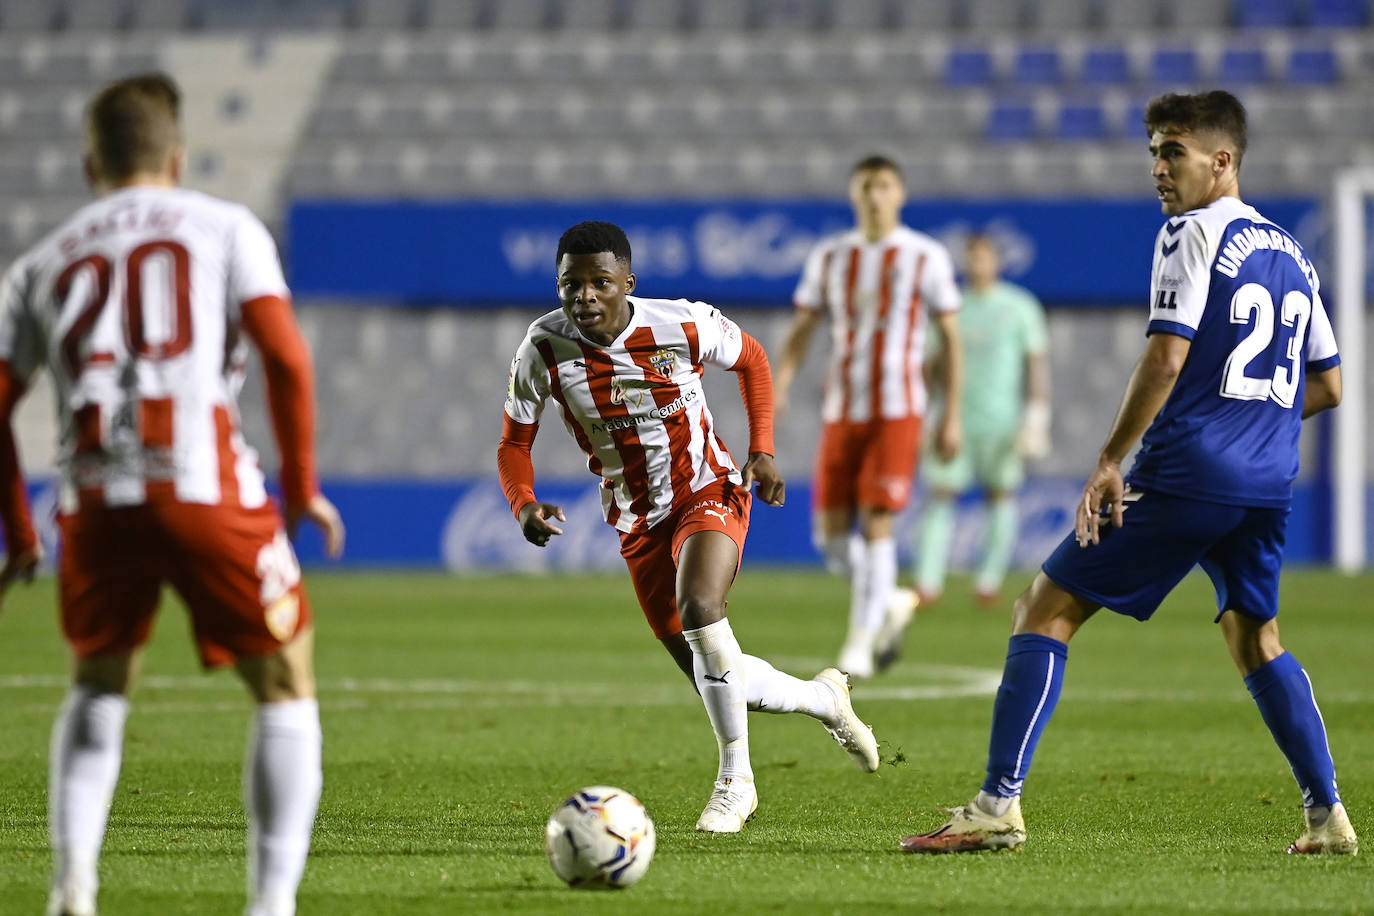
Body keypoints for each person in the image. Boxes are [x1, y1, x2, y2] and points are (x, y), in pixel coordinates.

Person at [901, 90, 1356, 856]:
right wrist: (1255, 428)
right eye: (1152, 151)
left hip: (1186, 473)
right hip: (1267, 483)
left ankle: (996, 806)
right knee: (1258, 637)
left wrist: (1111, 459)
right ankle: (1327, 817)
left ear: (1223, 160)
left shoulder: (1188, 234)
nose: (1157, 168)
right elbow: (1329, 385)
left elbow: (1166, 354)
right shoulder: (1294, 253)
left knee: (1043, 609)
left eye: (1172, 151)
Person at [0, 74, 346, 916]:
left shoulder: (41, 262)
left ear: (92, 166)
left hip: (92, 497)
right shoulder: (225, 227)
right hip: (202, 483)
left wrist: (19, 532)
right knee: (284, 682)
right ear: (177, 156)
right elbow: (286, 358)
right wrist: (300, 486)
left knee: (98, 681)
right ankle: (270, 904)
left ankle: (72, 888)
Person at [498, 220, 880, 834]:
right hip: (635, 519)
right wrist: (523, 501)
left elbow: (752, 359)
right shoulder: (541, 348)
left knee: (701, 606)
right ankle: (824, 700)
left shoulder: (681, 323)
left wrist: (763, 448)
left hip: (708, 487)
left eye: (601, 282)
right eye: (573, 284)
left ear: (628, 283)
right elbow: (514, 442)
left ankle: (736, 782)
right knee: (720, 675)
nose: (586, 296)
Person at [774, 154, 963, 679]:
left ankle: (858, 642)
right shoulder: (831, 256)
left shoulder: (926, 256)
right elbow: (803, 328)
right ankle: (891, 601)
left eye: (883, 186)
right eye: (865, 187)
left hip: (899, 409)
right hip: (842, 409)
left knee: (878, 519)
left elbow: (951, 339)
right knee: (830, 540)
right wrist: (781, 383)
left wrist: (952, 415)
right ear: (853, 195)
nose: (875, 196)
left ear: (899, 193)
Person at [908, 233, 1050, 611]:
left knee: (1001, 496)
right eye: (972, 258)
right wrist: (928, 409)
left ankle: (988, 581)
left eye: (984, 258)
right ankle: (927, 582)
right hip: (952, 418)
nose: (977, 265)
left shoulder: (1019, 306)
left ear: (997, 261)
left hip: (1002, 421)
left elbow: (1035, 363)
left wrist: (1036, 415)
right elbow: (927, 364)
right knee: (940, 494)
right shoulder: (950, 307)